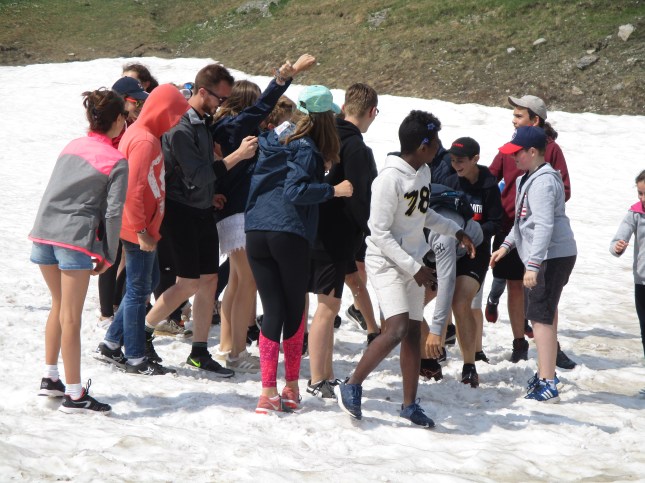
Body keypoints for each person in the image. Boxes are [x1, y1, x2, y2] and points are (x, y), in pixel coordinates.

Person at [337, 110, 476, 427]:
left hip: (413, 261)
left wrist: (456, 231)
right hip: (387, 262)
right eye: (436, 141)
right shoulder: (389, 180)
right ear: (423, 146)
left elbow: (422, 214)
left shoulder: (423, 172)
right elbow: (379, 233)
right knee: (397, 328)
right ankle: (352, 384)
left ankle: (409, 405)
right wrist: (414, 267)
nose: (439, 147)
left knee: (413, 332)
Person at [143, 63, 258, 377]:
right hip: (180, 211)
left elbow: (203, 176)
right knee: (189, 283)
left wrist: (212, 193)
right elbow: (198, 175)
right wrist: (236, 156)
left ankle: (199, 351)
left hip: (202, 209)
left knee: (209, 281)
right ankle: (141, 332)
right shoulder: (181, 127)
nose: (222, 104)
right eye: (220, 98)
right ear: (203, 92)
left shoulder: (204, 123)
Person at [245, 85, 353, 414]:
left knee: (272, 310)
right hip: (288, 231)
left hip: (256, 229)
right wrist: (333, 190)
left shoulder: (273, 137)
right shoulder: (306, 147)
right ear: (324, 118)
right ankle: (290, 388)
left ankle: (267, 392)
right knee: (293, 311)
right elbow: (295, 191)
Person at [211, 54, 315, 373]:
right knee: (247, 282)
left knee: (237, 282)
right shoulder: (236, 126)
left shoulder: (223, 127)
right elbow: (262, 107)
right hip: (240, 212)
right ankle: (237, 351)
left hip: (230, 212)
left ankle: (228, 345)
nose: (261, 112)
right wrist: (285, 77)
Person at [31, 89, 129, 413]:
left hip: (44, 231)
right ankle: (74, 395)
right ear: (118, 119)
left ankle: (50, 378)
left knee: (59, 305)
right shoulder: (117, 160)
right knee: (71, 316)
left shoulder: (72, 145)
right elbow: (113, 213)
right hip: (73, 238)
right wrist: (110, 253)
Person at [97, 84, 189, 375]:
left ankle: (112, 343)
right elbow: (133, 189)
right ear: (162, 112)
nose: (176, 122)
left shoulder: (144, 134)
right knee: (138, 292)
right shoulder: (145, 140)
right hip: (138, 229)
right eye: (174, 115)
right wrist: (141, 231)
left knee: (147, 282)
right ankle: (136, 357)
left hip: (142, 226)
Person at [487, 95, 576, 368]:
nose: (513, 120)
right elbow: (490, 178)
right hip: (512, 229)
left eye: (519, 115)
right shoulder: (513, 149)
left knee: (543, 300)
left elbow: (560, 195)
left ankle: (550, 353)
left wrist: (535, 207)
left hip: (541, 241)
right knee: (517, 287)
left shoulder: (549, 154)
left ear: (535, 120)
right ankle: (520, 343)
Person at [307, 83, 380, 399]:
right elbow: (360, 199)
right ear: (372, 112)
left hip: (308, 227)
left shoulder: (322, 134)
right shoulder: (356, 148)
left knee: (326, 304)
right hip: (334, 236)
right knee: (327, 307)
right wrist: (372, 232)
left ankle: (327, 374)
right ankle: (317, 378)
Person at [96, 76, 151, 330]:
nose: (139, 106)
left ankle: (117, 303)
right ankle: (106, 312)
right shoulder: (110, 128)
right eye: (134, 101)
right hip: (110, 197)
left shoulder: (132, 126)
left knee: (128, 254)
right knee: (112, 253)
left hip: (126, 196)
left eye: (141, 101)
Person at [445, 137, 503, 371]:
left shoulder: (488, 185)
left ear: (475, 159)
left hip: (476, 253)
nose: (455, 165)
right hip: (450, 250)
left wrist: (474, 233)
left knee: (465, 303)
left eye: (460, 161)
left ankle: (472, 358)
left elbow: (496, 222)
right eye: (452, 160)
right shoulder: (450, 181)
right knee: (440, 300)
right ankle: (437, 349)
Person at [419, 185, 484, 383]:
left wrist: (436, 330)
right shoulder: (404, 225)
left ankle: (469, 366)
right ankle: (429, 362)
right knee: (409, 306)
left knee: (459, 301)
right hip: (434, 254)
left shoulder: (440, 233)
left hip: (470, 248)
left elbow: (447, 280)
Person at [610, 169, 645, 396]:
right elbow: (616, 241)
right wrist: (618, 247)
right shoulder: (635, 213)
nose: (642, 198)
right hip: (642, 282)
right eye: (640, 193)